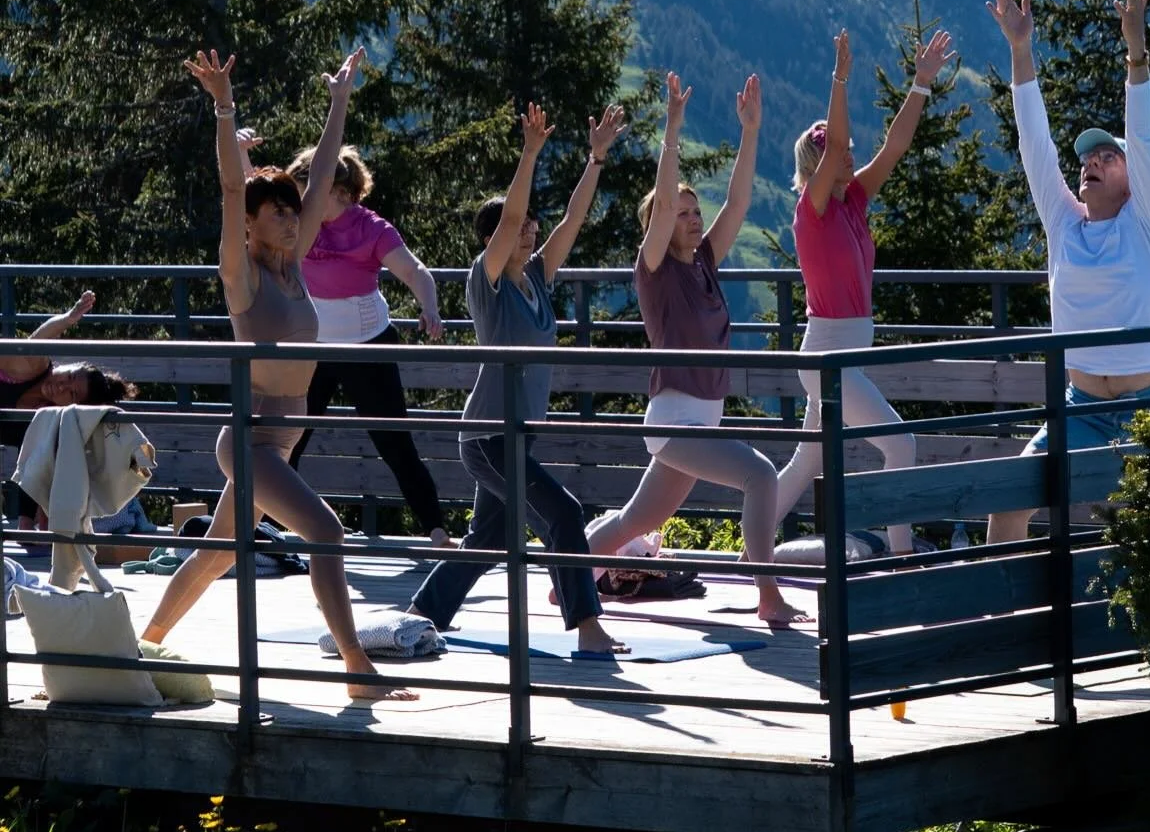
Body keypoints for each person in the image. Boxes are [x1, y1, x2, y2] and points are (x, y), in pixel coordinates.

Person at [142, 46, 415, 701]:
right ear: (252, 226)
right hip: (252, 439)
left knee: (215, 553)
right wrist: (223, 105)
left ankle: (142, 644)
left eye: (295, 213)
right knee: (324, 531)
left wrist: (339, 98)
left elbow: (321, 175)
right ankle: (357, 670)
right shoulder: (243, 277)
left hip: (280, 440)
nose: (293, 220)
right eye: (280, 214)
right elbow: (233, 189)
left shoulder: (294, 269)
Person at [408, 102, 629, 654]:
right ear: (494, 239)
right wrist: (530, 152)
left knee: (488, 536)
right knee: (564, 514)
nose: (529, 230)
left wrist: (595, 158)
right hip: (488, 436)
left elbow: (572, 220)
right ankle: (588, 629)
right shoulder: (487, 285)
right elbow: (508, 219)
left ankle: (424, 611)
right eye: (520, 224)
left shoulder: (536, 278)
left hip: (516, 433)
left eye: (532, 223)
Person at [588, 72, 807, 627]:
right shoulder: (655, 270)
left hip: (697, 423)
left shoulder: (705, 261)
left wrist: (751, 131)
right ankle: (769, 595)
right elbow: (660, 209)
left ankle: (568, 576)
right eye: (683, 213)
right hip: (675, 419)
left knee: (636, 520)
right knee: (760, 476)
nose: (691, 217)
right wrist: (674, 126)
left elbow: (737, 200)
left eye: (692, 211)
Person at [985, 0, 1150, 545]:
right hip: (1080, 409)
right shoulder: (1063, 224)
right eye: (1087, 157)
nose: (1091, 161)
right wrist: (1021, 50)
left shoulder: (1145, 221)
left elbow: (1140, 139)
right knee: (1008, 506)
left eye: (1106, 156)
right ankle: (1015, 626)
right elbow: (1035, 145)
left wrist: (1136, 50)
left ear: (1131, 179)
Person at [770, 26, 955, 552]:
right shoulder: (813, 210)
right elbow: (839, 151)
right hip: (829, 356)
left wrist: (920, 85)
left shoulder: (851, 200)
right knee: (901, 444)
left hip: (842, 352)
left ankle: (749, 550)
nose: (851, 157)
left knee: (807, 460)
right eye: (839, 154)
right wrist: (841, 78)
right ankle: (901, 553)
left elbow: (895, 148)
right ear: (817, 165)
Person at [277, 142, 450, 548]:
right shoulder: (300, 222)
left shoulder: (371, 227)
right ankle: (263, 527)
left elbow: (414, 270)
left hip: (366, 345)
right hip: (313, 346)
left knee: (394, 441)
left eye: (310, 190)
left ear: (338, 191)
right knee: (288, 440)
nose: (304, 200)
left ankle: (437, 531)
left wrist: (430, 307)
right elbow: (256, 199)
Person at [1, 291, 136, 541]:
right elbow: (39, 339)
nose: (61, 386)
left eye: (71, 394)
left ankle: (28, 526)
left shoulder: (54, 419)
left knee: (54, 436)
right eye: (70, 376)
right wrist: (69, 318)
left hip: (32, 433)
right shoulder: (32, 366)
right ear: (68, 365)